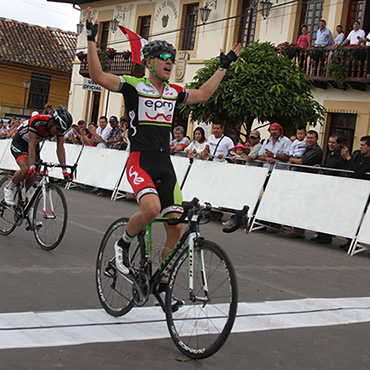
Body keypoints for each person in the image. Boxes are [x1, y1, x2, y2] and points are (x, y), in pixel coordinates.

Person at [85, 7, 241, 305]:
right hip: (140, 161)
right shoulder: (133, 86)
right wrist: (93, 38)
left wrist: (224, 65)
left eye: (172, 59)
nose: (170, 62)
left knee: (177, 227)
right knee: (152, 209)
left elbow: (204, 94)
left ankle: (163, 283)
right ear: (149, 62)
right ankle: (123, 244)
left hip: (165, 165)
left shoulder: (173, 92)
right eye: (164, 59)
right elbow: (97, 74)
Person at [3, 105, 73, 228]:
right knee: (26, 169)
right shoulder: (38, 121)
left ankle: (30, 215)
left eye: (61, 132)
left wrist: (64, 170)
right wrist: (30, 166)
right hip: (20, 143)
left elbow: (60, 148)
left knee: (31, 182)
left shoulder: (58, 128)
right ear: (51, 122)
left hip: (34, 146)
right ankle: (9, 187)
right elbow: (30, 144)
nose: (58, 134)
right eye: (57, 130)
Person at [311, 135, 346, 244]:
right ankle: (321, 234)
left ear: (339, 144)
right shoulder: (330, 155)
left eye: (333, 143)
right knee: (323, 211)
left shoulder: (341, 157)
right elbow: (328, 166)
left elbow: (341, 170)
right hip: (327, 186)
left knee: (331, 212)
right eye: (329, 142)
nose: (330, 144)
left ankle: (327, 236)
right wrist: (321, 166)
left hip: (336, 187)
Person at [288, 130, 323, 239]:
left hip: (309, 181)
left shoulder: (316, 150)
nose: (309, 140)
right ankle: (297, 229)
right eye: (308, 138)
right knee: (298, 205)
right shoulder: (306, 147)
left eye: (312, 138)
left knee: (305, 206)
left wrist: (292, 160)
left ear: (316, 139)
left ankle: (300, 231)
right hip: (301, 179)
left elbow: (303, 161)